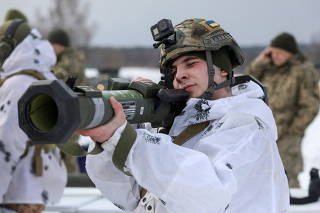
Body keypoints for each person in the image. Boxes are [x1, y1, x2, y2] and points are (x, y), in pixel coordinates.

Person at [78, 18, 289, 213]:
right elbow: (128, 196)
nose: (180, 75)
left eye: (191, 63)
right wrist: (111, 138)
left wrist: (128, 141)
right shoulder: (180, 123)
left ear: (222, 69)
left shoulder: (247, 127)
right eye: (173, 70)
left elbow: (206, 194)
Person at [0, 19, 67, 213]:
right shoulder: (46, 78)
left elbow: (5, 146)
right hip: (33, 193)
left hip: (14, 196)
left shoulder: (19, 84)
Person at [246, 32, 320, 187]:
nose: (276, 56)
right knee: (260, 176)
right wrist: (260, 62)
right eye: (274, 52)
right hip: (262, 130)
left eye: (280, 53)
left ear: (290, 53)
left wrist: (295, 130)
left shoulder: (302, 70)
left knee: (287, 178)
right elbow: (245, 84)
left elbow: (310, 104)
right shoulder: (268, 68)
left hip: (287, 134)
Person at [48, 28, 87, 174]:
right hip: (68, 113)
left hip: (71, 113)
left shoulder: (70, 60)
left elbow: (56, 77)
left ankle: (72, 183)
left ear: (59, 45)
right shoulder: (67, 58)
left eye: (52, 45)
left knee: (67, 151)